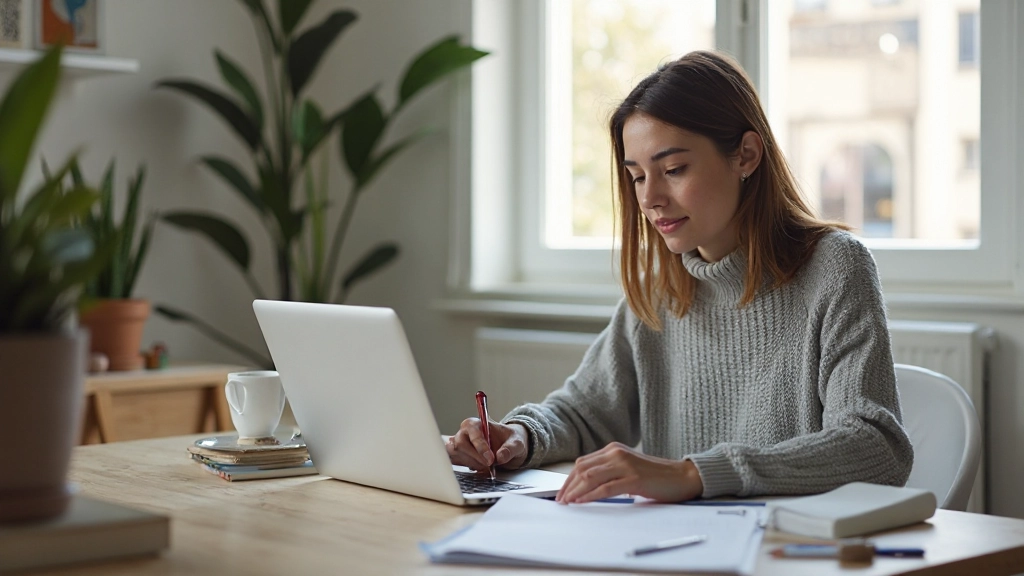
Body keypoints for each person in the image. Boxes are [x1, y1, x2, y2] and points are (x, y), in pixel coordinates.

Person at [446, 50, 913, 504]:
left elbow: (875, 446)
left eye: (673, 169)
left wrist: (694, 474)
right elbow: (585, 412)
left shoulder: (835, 267)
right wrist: (521, 436)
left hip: (783, 542)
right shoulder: (660, 288)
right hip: (672, 541)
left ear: (746, 155)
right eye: (637, 176)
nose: (650, 198)